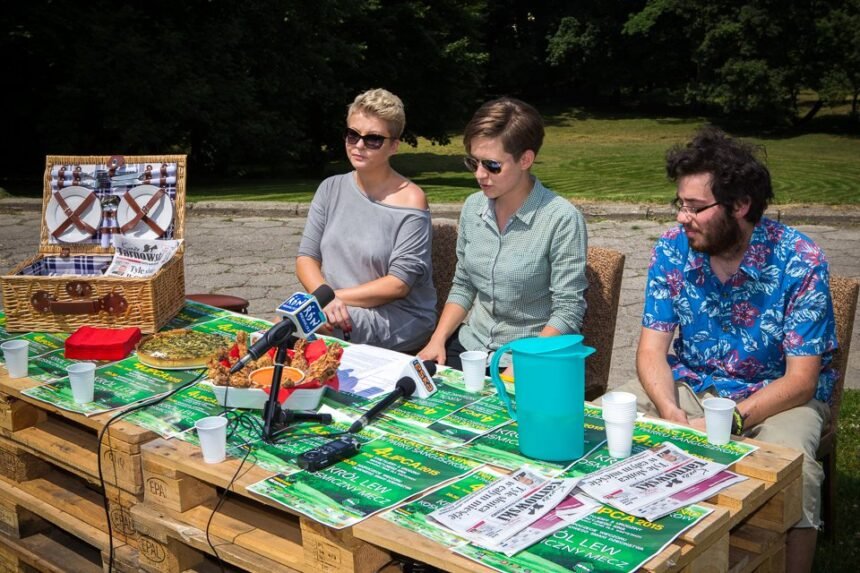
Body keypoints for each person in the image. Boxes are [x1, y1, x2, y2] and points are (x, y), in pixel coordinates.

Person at [612, 127, 836, 573]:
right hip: (691, 382)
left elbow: (801, 379)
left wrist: (731, 420)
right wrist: (671, 412)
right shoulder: (672, 250)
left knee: (798, 473)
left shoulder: (800, 260)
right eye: (679, 204)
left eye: (695, 207)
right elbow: (651, 352)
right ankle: (634, 552)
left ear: (739, 206)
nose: (681, 217)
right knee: (608, 422)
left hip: (778, 397)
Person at [419, 97, 588, 372]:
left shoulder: (561, 219)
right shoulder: (473, 207)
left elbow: (568, 310)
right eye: (473, 162)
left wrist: (525, 362)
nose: (479, 174)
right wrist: (437, 340)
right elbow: (463, 285)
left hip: (531, 354)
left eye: (492, 165)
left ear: (526, 159)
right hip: (470, 346)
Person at [296, 89, 436, 352]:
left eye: (373, 139)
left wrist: (327, 299)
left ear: (394, 145)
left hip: (397, 316)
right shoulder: (330, 188)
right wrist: (323, 298)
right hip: (337, 306)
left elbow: (398, 285)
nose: (359, 145)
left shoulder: (411, 201)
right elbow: (306, 257)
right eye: (353, 135)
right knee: (286, 324)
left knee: (299, 327)